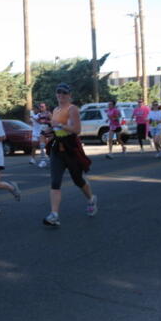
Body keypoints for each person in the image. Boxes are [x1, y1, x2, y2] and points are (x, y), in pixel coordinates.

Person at [42, 83, 97, 227]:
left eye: (64, 93)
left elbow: (77, 130)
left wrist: (59, 126)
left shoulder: (72, 109)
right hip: (57, 147)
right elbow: (56, 129)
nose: (61, 95)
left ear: (69, 95)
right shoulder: (55, 109)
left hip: (70, 147)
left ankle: (91, 199)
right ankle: (54, 215)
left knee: (77, 179)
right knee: (55, 181)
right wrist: (50, 132)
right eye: (58, 92)